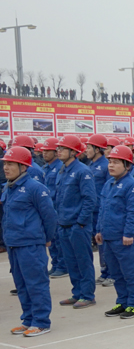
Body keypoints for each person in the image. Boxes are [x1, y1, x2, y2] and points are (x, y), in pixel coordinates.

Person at [2, 146, 57, 337]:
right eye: (5, 164)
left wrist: (46, 238)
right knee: (21, 284)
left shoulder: (35, 188)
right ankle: (28, 319)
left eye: (11, 164)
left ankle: (41, 322)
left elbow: (49, 216)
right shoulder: (9, 187)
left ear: (23, 166)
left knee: (36, 283)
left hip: (30, 244)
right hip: (14, 243)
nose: (6, 168)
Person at [96, 146, 134, 319]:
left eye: (116, 162)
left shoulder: (132, 186)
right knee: (116, 273)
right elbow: (102, 208)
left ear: (127, 166)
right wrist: (99, 229)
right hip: (109, 237)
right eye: (110, 162)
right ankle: (122, 302)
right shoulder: (109, 184)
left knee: (130, 273)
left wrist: (129, 233)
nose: (111, 165)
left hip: (124, 238)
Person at [54, 135, 98, 309]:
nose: (58, 151)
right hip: (64, 224)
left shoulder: (82, 171)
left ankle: (87, 295)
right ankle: (77, 293)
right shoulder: (63, 170)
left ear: (73, 152)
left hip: (77, 226)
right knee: (71, 262)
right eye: (58, 148)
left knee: (83, 261)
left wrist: (80, 222)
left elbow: (90, 199)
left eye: (62, 148)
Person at [84, 134, 112, 286]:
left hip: (102, 209)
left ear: (97, 149)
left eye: (89, 147)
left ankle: (111, 273)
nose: (86, 150)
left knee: (106, 241)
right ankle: (104, 271)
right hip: (92, 210)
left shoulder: (107, 165)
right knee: (99, 241)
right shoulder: (90, 165)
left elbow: (109, 188)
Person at [40, 137, 67, 278]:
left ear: (55, 152)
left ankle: (62, 266)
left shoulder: (60, 167)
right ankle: (55, 264)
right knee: (52, 238)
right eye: (43, 151)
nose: (44, 153)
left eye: (48, 151)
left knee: (58, 239)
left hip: (57, 207)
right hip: (49, 207)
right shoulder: (46, 167)